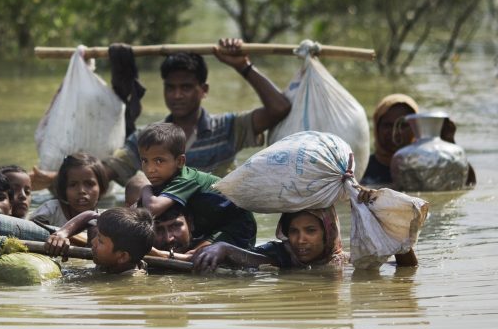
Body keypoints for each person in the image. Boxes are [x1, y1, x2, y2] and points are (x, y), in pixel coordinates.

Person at [30, 37, 291, 191]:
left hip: (211, 218)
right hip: (168, 227)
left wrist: (243, 66)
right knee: (136, 185)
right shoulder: (147, 138)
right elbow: (107, 171)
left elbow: (279, 108)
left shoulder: (228, 127)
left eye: (186, 88)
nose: (177, 95)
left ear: (204, 91)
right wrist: (59, 179)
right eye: (171, 88)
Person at [192, 204, 418, 272]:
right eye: (294, 231)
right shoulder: (282, 254)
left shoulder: (348, 261)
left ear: (328, 233)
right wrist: (224, 248)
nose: (300, 240)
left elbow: (406, 270)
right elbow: (254, 260)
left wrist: (393, 232)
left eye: (311, 231)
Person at [137, 122, 257, 250]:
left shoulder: (186, 179)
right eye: (145, 161)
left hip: (238, 226)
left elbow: (152, 208)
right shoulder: (166, 179)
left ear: (180, 161)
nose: (150, 169)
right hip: (213, 221)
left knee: (200, 255)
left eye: (159, 161)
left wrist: (145, 188)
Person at [361, 93, 476, 186]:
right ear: (377, 127)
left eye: (403, 125)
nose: (395, 132)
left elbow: (469, 184)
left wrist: (449, 143)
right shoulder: (363, 168)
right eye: (387, 125)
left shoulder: (429, 163)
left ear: (416, 126)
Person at [44, 207, 155, 275]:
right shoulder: (112, 261)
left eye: (100, 241)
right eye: (97, 235)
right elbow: (91, 215)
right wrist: (62, 234)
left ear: (122, 257)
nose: (93, 242)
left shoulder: (129, 283)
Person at [29, 153, 108, 227]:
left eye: (89, 184)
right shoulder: (51, 211)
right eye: (73, 185)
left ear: (101, 187)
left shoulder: (105, 220)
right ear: (64, 189)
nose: (81, 190)